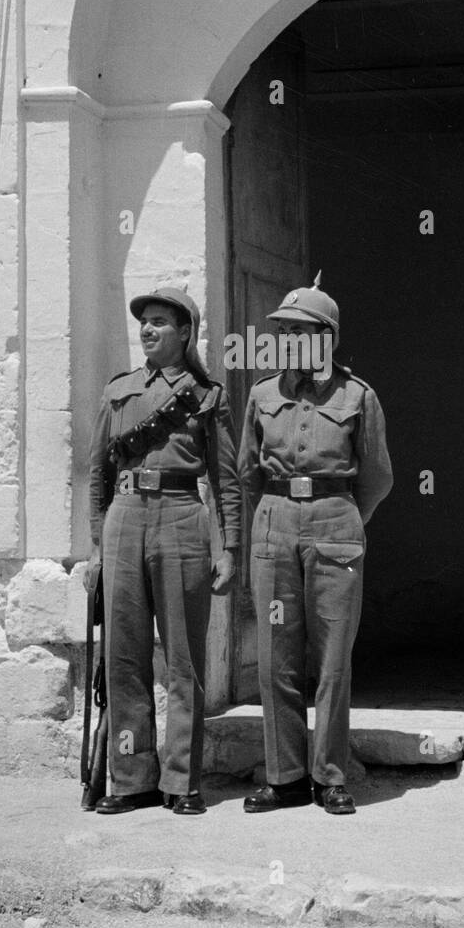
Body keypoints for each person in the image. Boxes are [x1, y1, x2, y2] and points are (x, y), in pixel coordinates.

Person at [238, 276, 392, 815]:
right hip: (274, 524)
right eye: (283, 332)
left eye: (301, 331)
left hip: (335, 524)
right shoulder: (260, 394)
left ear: (326, 338)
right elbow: (246, 474)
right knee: (275, 657)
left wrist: (343, 519)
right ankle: (284, 777)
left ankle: (330, 775)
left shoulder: (358, 396)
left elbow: (376, 476)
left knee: (331, 659)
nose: (289, 341)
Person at [85, 285, 240, 815]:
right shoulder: (118, 391)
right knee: (123, 657)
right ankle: (130, 779)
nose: (148, 330)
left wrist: (229, 550)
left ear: (184, 332)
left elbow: (227, 482)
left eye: (159, 322)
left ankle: (181, 781)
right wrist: (97, 548)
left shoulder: (207, 395)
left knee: (183, 661)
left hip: (180, 516)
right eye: (144, 322)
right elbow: (99, 474)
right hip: (125, 521)